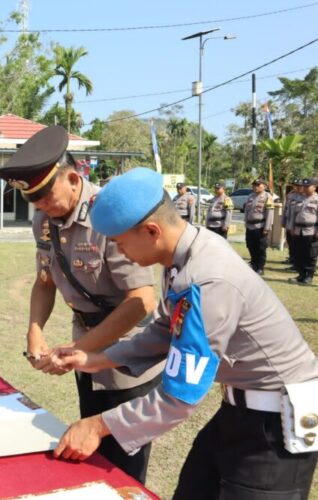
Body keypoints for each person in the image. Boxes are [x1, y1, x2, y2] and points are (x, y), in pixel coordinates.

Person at [50, 167, 317, 499]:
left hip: (276, 423)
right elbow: (166, 329)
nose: (120, 253)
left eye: (119, 244)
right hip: (239, 407)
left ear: (151, 231)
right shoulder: (185, 254)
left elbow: (177, 398)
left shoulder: (206, 278)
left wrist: (97, 425)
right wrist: (98, 359)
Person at [0, 126, 162, 483]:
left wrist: (78, 349)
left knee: (123, 463)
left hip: (126, 355)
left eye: (45, 196)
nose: (40, 206)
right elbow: (45, 281)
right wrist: (34, 331)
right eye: (33, 200)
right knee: (90, 448)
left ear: (73, 178)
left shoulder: (109, 216)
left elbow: (141, 301)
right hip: (84, 350)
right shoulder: (45, 219)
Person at [290, 177, 318, 285]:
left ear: (314, 187)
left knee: (310, 254)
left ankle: (309, 276)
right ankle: (301, 274)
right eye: (304, 186)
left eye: (308, 186)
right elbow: (293, 214)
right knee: (299, 253)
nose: (305, 188)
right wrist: (291, 227)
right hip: (298, 229)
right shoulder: (299, 198)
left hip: (311, 230)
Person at [243, 178, 274, 275]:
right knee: (251, 246)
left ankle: (260, 267)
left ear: (264, 186)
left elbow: (270, 213)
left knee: (260, 248)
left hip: (260, 226)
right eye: (254, 185)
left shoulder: (267, 197)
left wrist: (267, 227)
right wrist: (246, 223)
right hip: (250, 226)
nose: (255, 187)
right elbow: (247, 211)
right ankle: (254, 264)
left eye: (258, 185)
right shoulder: (250, 196)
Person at [284, 179, 304, 271]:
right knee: (290, 242)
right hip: (290, 223)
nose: (296, 187)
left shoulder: (305, 196)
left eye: (298, 185)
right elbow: (287, 209)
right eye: (294, 185)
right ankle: (292, 259)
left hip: (299, 225)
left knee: (298, 246)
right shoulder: (291, 195)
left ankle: (298, 264)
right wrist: (284, 222)